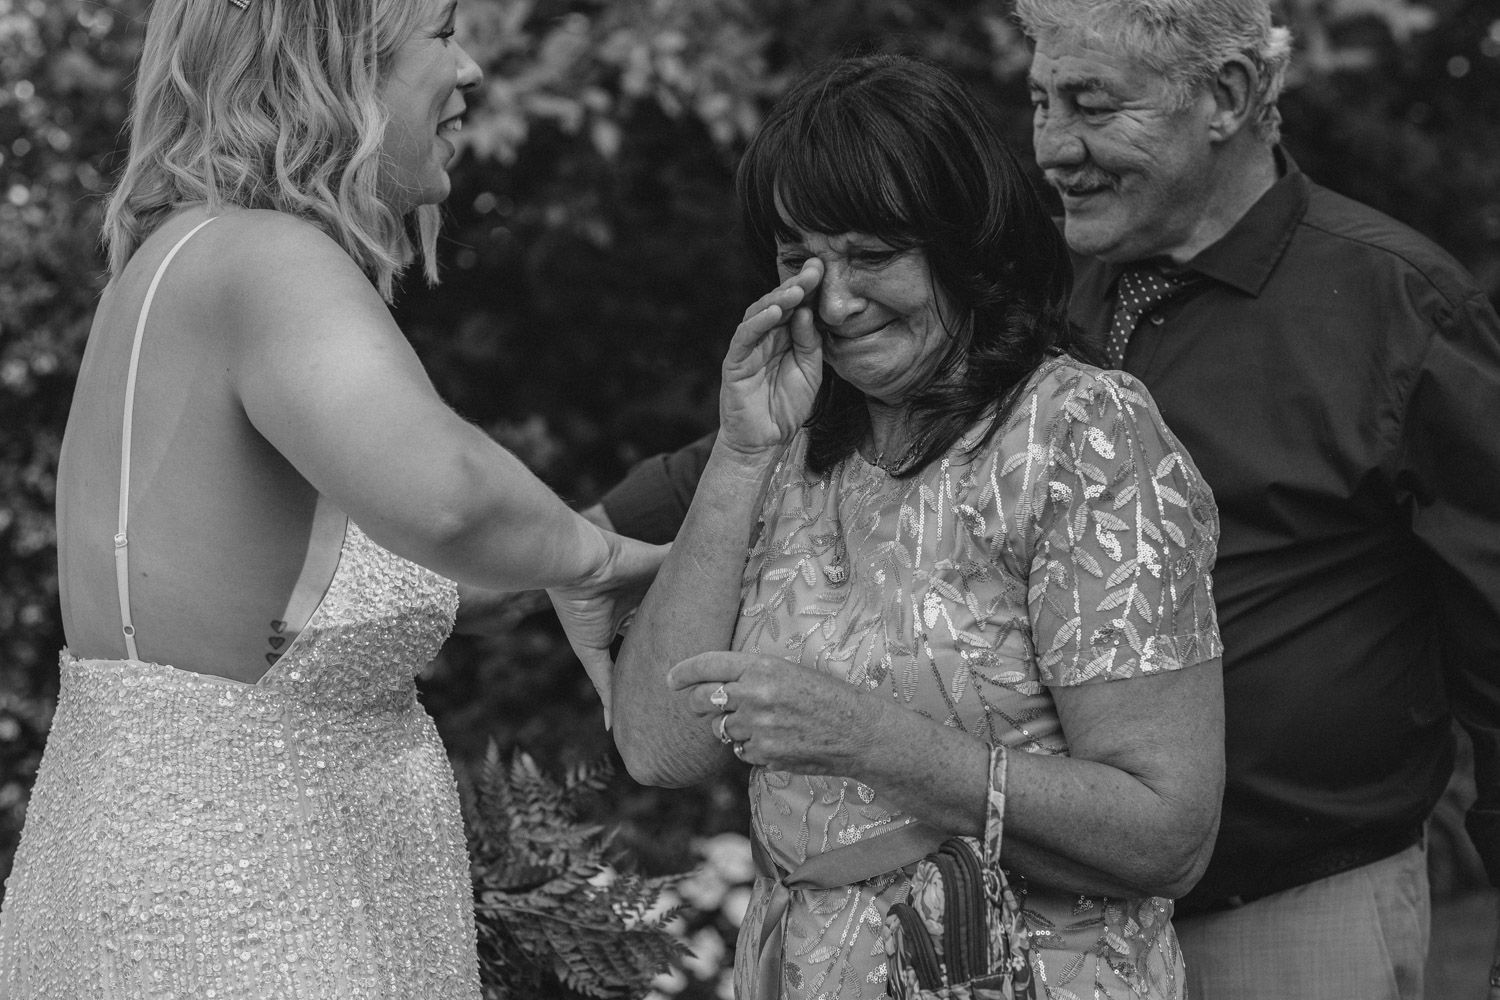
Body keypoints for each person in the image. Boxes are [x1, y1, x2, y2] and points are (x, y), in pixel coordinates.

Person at [601, 3, 1500, 997]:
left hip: (1275, 905)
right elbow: (657, 733)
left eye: (1091, 103)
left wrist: (865, 737)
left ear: (1231, 96)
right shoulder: (1026, 304)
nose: (1054, 145)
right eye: (1039, 100)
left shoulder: (1378, 306)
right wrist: (601, 517)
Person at [0, 0, 661, 996]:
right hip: (255, 924)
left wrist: (522, 585)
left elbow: (262, 608)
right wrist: (597, 558)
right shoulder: (269, 260)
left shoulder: (172, 264)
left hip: (131, 900)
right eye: (443, 30)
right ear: (333, 59)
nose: (472, 70)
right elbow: (449, 497)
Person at [611, 54, 1226, 1000]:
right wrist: (738, 453)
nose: (833, 299)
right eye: (798, 258)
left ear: (965, 245)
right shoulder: (787, 446)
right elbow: (659, 748)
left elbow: (1167, 835)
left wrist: (868, 740)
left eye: (871, 254)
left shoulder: (1080, 434)